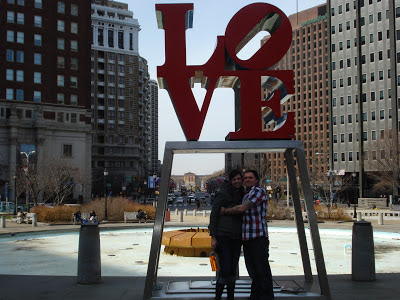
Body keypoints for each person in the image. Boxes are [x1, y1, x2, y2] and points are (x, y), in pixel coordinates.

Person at [221, 170, 274, 300]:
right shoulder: (246, 194)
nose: (247, 180)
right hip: (247, 239)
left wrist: (225, 211)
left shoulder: (258, 191)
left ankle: (266, 297)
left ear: (256, 180)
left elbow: (242, 208)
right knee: (254, 272)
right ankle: (256, 296)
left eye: (250, 177)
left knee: (262, 272)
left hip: (258, 238)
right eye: (245, 178)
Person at [209, 170, 244, 300]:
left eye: (239, 179)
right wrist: (213, 236)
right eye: (234, 179)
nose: (237, 181)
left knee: (233, 268)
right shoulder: (223, 194)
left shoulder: (243, 195)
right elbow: (214, 214)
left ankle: (230, 297)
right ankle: (217, 297)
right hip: (223, 235)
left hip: (237, 236)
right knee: (225, 268)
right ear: (231, 180)